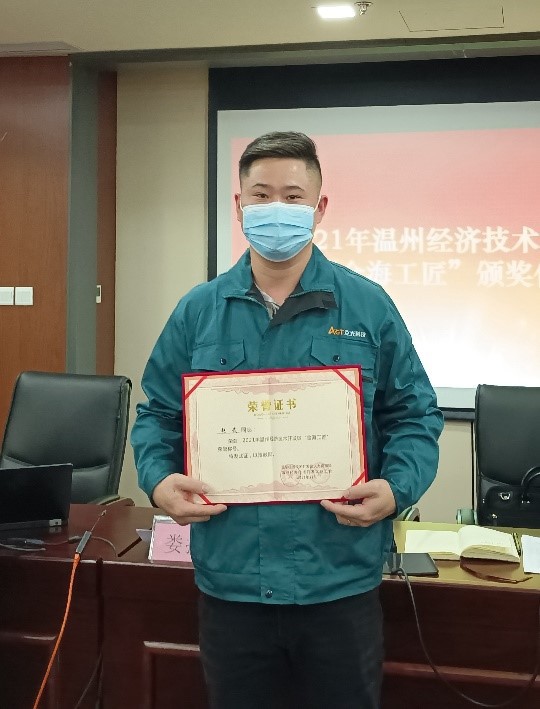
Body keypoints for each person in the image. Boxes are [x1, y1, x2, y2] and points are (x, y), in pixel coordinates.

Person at [131, 131, 443, 709]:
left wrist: (396, 488)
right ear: (239, 205)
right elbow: (158, 414)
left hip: (338, 581)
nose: (277, 209)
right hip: (232, 584)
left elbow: (415, 414)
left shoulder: (367, 305)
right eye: (262, 194)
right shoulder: (198, 311)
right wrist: (158, 480)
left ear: (319, 208)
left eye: (293, 197)